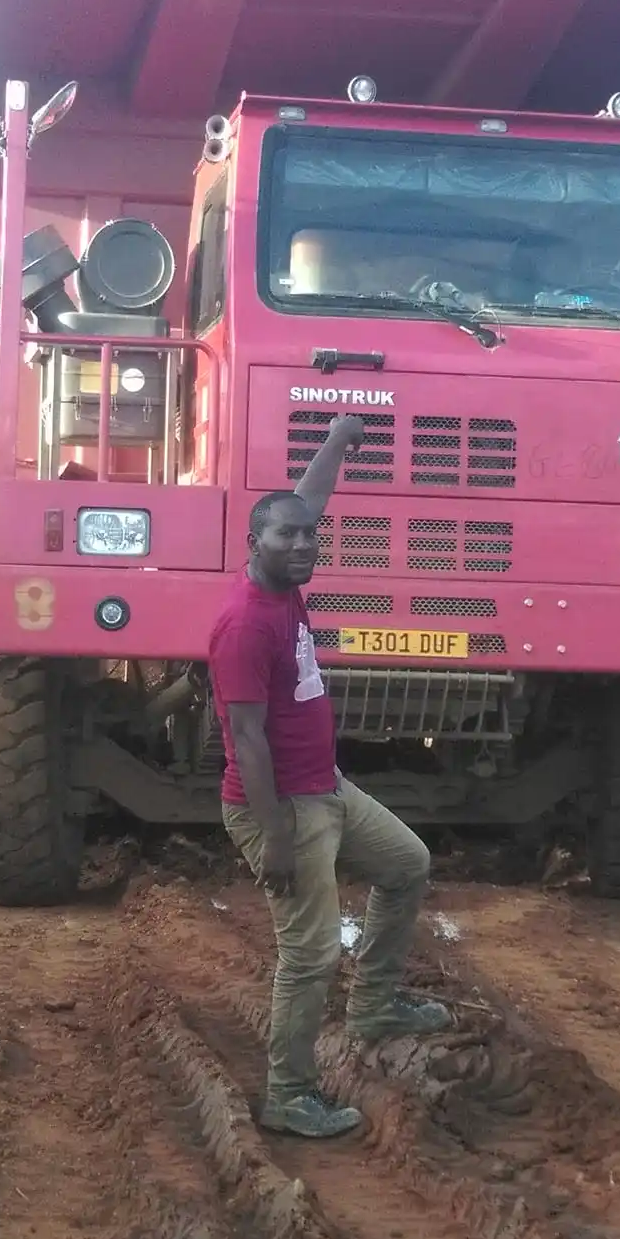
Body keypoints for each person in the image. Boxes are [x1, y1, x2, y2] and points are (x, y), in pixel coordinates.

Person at [209, 413, 450, 1139]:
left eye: (311, 534)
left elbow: (306, 502)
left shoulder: (285, 588)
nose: (306, 542)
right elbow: (245, 738)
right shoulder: (247, 623)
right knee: (310, 951)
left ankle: (375, 1004)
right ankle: (289, 1095)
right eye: (288, 536)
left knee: (407, 863)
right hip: (280, 804)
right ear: (255, 545)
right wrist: (277, 839)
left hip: (325, 786)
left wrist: (340, 439)